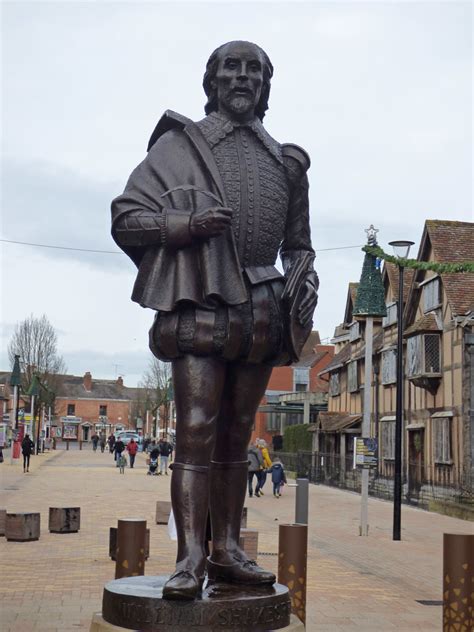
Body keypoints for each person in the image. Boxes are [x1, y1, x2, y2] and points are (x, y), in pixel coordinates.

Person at [111, 40, 318, 600]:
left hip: (261, 311)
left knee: (234, 434)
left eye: (255, 70)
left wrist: (307, 277)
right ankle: (189, 557)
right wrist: (185, 225)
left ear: (266, 85)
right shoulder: (180, 147)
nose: (243, 77)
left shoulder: (287, 163)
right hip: (201, 301)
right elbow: (126, 218)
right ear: (213, 81)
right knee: (196, 428)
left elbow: (298, 244)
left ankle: (226, 549)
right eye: (232, 67)